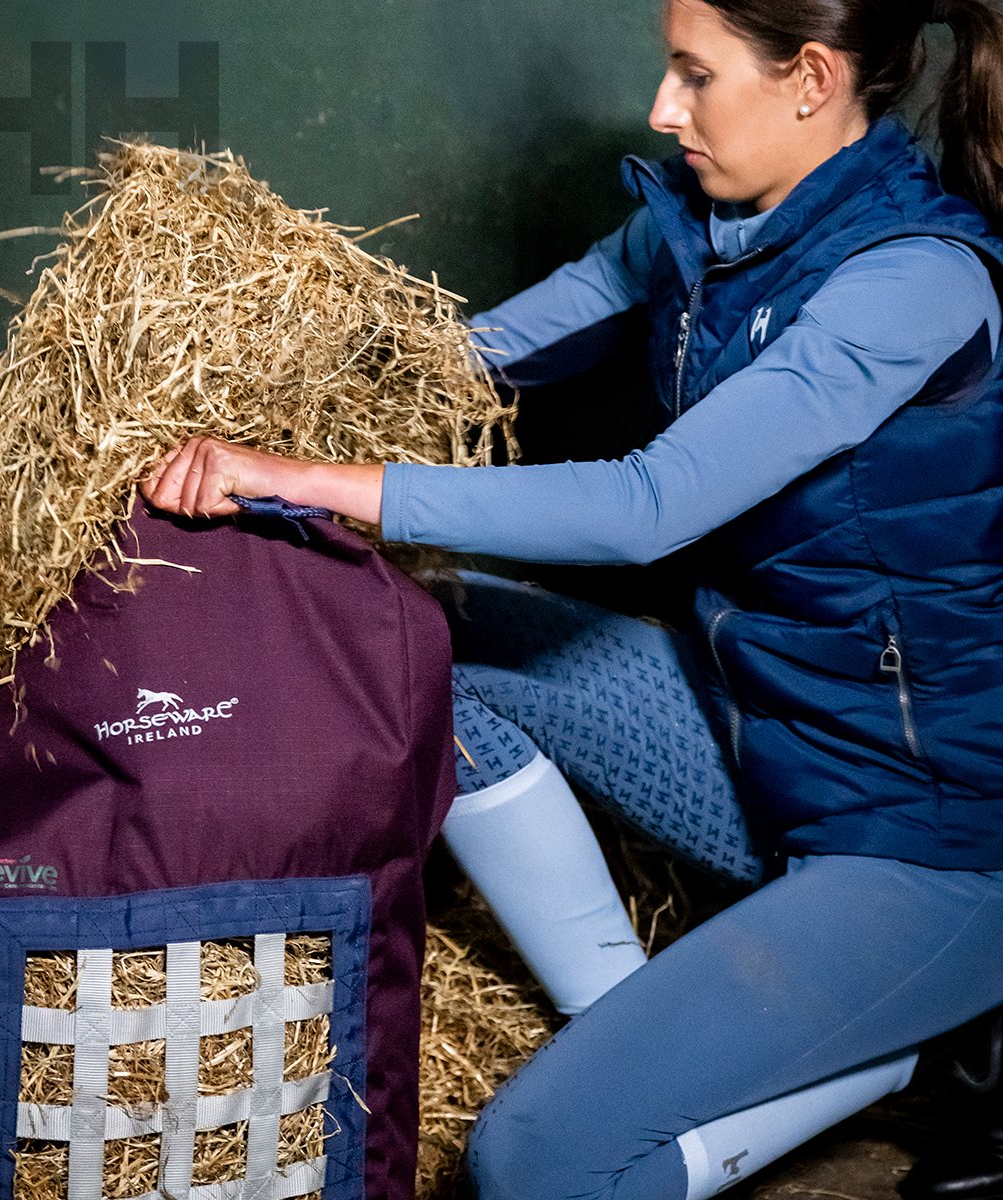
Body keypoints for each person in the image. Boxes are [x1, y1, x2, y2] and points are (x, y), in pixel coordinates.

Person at [142, 0, 1003, 1196]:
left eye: (694, 75)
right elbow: (471, 357)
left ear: (810, 78)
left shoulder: (913, 281)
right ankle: (647, 1038)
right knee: (409, 633)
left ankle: (879, 1044)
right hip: (759, 731)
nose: (661, 108)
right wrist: (241, 389)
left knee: (529, 1160)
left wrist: (306, 479)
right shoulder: (701, 227)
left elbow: (650, 503)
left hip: (927, 837)